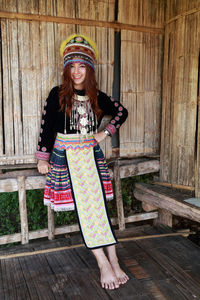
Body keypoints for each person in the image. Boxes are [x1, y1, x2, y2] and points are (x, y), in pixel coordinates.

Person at [36, 34, 129, 290]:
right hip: (66, 158)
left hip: (91, 157)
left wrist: (103, 133)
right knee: (86, 210)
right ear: (67, 69)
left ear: (89, 69)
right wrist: (43, 158)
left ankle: (114, 257)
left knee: (99, 207)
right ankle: (102, 263)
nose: (77, 71)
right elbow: (47, 128)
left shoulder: (96, 96)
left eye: (82, 66)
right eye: (72, 66)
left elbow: (122, 113)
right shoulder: (58, 94)